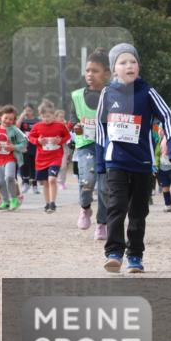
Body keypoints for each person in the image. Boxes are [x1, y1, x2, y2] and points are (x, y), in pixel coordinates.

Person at [96, 43, 171, 274]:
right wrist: (100, 159)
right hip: (116, 161)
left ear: (139, 66)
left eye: (133, 61)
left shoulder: (148, 92)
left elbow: (168, 117)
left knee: (138, 211)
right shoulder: (107, 93)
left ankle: (135, 255)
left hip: (143, 162)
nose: (129, 66)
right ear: (114, 69)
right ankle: (114, 252)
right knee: (116, 206)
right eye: (123, 62)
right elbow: (100, 126)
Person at [71, 48, 112, 237]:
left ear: (107, 73)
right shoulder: (77, 95)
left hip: (108, 145)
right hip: (86, 144)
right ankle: (85, 207)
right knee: (87, 181)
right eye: (87, 70)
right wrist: (76, 126)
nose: (90, 74)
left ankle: (102, 223)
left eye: (95, 71)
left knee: (104, 188)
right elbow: (73, 118)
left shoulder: (112, 94)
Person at [27, 101, 72, 213]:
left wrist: (60, 140)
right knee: (45, 182)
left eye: (49, 116)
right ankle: (47, 203)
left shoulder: (60, 126)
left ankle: (53, 203)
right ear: (40, 116)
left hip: (55, 157)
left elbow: (68, 136)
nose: (46, 118)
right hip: (41, 158)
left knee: (52, 179)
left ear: (53, 115)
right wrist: (38, 141)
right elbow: (30, 137)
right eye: (43, 116)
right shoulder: (37, 126)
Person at [0, 105, 27, 211]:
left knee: (9, 177)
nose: (8, 121)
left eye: (11, 119)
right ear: (0, 117)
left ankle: (14, 199)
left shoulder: (15, 130)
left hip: (10, 158)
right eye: (6, 118)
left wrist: (13, 147)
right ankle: (5, 201)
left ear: (14, 120)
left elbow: (24, 141)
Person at [17, 103, 39, 194]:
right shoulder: (22, 121)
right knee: (24, 164)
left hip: (34, 146)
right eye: (26, 110)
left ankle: (34, 185)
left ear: (33, 111)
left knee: (34, 165)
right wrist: (22, 116)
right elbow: (17, 127)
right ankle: (25, 182)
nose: (28, 112)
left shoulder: (37, 121)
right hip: (24, 146)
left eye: (29, 110)